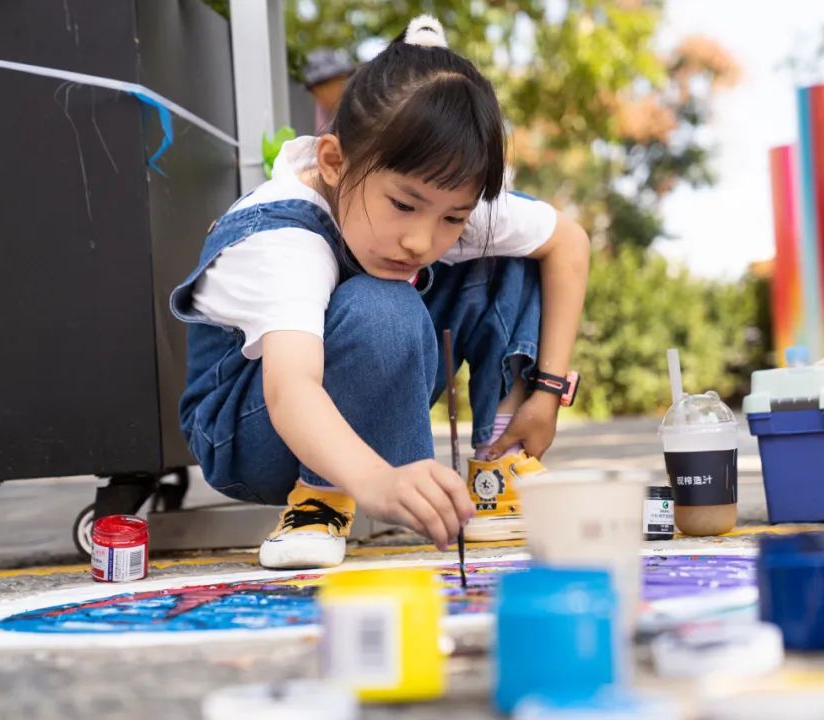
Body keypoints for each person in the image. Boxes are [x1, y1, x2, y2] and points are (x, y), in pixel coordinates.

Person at [170, 15, 589, 569]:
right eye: (403, 206)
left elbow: (568, 243)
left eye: (452, 218)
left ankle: (498, 460)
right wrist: (376, 481)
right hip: (253, 435)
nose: (421, 241)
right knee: (382, 306)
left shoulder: (435, 204)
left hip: (360, 389)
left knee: (507, 250)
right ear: (333, 162)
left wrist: (547, 392)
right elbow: (291, 389)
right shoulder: (283, 238)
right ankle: (319, 501)